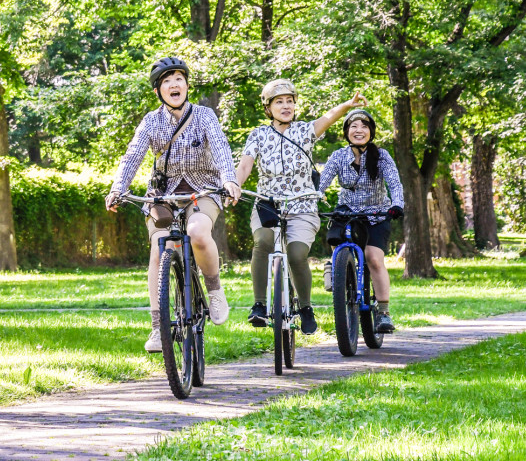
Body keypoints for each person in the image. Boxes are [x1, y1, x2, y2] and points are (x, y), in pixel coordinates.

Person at [106, 57, 242, 352]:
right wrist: (118, 189)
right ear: (158, 91)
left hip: (202, 190)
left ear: (187, 85)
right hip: (163, 196)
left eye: (178, 79)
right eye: (166, 81)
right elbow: (132, 156)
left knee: (197, 233)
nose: (173, 85)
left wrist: (229, 179)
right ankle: (158, 327)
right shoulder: (151, 122)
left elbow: (220, 148)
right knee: (160, 250)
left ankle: (214, 289)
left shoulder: (204, 116)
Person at [234, 80, 366, 335]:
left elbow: (327, 118)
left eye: (290, 101)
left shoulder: (305, 131)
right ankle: (260, 305)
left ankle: (305, 307)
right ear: (268, 107)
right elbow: (244, 166)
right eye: (279, 102)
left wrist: (347, 106)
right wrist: (235, 187)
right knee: (263, 241)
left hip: (302, 203)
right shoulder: (258, 135)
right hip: (268, 203)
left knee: (295, 254)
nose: (286, 106)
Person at [318, 108, 405, 333]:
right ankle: (336, 271)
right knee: (335, 240)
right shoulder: (338, 156)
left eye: (364, 126)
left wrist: (397, 205)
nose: (359, 130)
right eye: (354, 126)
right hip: (347, 209)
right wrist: (314, 197)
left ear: (371, 131)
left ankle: (383, 313)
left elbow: (394, 183)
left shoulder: (382, 156)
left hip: (377, 213)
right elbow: (323, 181)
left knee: (373, 258)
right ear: (347, 131)